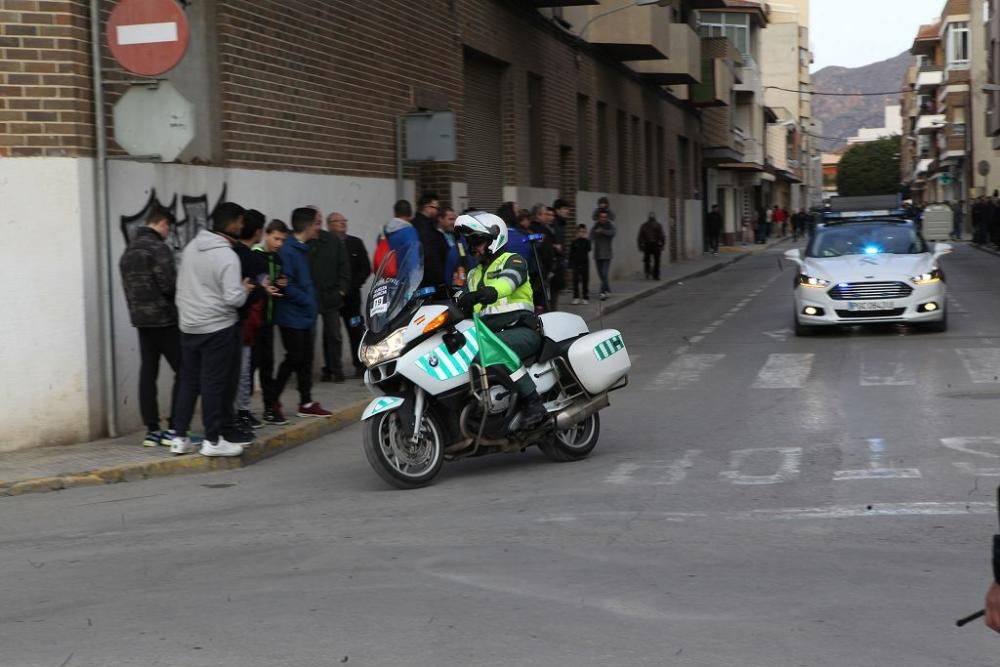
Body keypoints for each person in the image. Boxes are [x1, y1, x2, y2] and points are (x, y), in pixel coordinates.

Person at [170, 202, 253, 457]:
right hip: (217, 327)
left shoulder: (192, 247)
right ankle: (213, 440)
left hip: (189, 325)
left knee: (188, 382)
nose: (242, 226)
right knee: (214, 383)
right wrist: (245, 289)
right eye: (240, 222)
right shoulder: (228, 255)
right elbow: (233, 299)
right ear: (233, 224)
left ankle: (179, 437)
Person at [454, 211, 548, 428]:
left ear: (494, 239)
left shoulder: (513, 260)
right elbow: (463, 298)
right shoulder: (473, 274)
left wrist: (486, 293)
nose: (473, 248)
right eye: (471, 243)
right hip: (488, 335)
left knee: (494, 352)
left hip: (522, 330)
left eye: (477, 242)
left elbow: (508, 283)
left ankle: (534, 403)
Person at [119, 204, 181, 447]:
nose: (168, 233)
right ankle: (175, 426)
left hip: (141, 321)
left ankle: (152, 430)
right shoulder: (159, 248)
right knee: (185, 369)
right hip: (164, 319)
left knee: (148, 371)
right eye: (168, 228)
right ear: (162, 223)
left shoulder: (129, 250)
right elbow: (169, 286)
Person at [271, 207, 332, 418]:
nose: (319, 228)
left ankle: (305, 402)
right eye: (317, 223)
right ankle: (272, 399)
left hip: (305, 315)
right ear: (307, 226)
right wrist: (307, 300)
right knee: (294, 358)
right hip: (291, 316)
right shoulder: (288, 251)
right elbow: (286, 285)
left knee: (305, 359)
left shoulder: (302, 248)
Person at [228, 209, 270, 438]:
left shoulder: (231, 252)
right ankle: (240, 412)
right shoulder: (252, 258)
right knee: (243, 369)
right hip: (246, 319)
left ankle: (239, 411)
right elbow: (260, 286)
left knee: (240, 369)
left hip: (233, 319)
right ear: (258, 231)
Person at [253, 219, 289, 424]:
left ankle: (269, 407)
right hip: (254, 320)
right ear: (266, 234)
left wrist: (281, 285)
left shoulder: (277, 260)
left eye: (282, 240)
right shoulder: (256, 256)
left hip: (269, 319)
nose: (279, 243)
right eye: (276, 238)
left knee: (267, 366)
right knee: (250, 368)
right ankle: (244, 411)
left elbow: (277, 285)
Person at [308, 212, 351, 384]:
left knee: (334, 334)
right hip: (310, 296)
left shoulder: (332, 241)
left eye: (319, 222)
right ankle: (308, 372)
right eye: (314, 222)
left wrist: (342, 290)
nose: (317, 226)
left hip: (331, 294)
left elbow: (344, 266)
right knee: (309, 335)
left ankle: (336, 369)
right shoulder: (304, 242)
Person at [328, 212, 370, 379]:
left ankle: (360, 365)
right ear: (329, 224)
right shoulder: (326, 244)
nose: (342, 223)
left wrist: (352, 286)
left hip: (352, 297)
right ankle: (332, 369)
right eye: (337, 221)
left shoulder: (355, 243)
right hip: (332, 297)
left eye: (344, 220)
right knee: (332, 333)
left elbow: (365, 268)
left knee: (356, 330)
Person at [591, 208, 616, 300]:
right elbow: (591, 237)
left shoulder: (609, 226)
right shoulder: (595, 226)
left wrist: (602, 231)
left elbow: (612, 233)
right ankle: (607, 289)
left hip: (606, 254)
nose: (603, 218)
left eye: (605, 217)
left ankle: (602, 292)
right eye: (601, 217)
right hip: (597, 254)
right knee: (601, 275)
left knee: (604, 274)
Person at [569, 224, 591, 305]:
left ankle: (585, 297)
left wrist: (586, 238)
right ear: (577, 232)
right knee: (575, 281)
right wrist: (570, 264)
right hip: (576, 264)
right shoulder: (574, 242)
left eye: (583, 232)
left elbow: (589, 248)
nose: (581, 233)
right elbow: (571, 253)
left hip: (585, 264)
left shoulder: (587, 241)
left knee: (585, 281)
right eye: (580, 232)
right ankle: (576, 297)